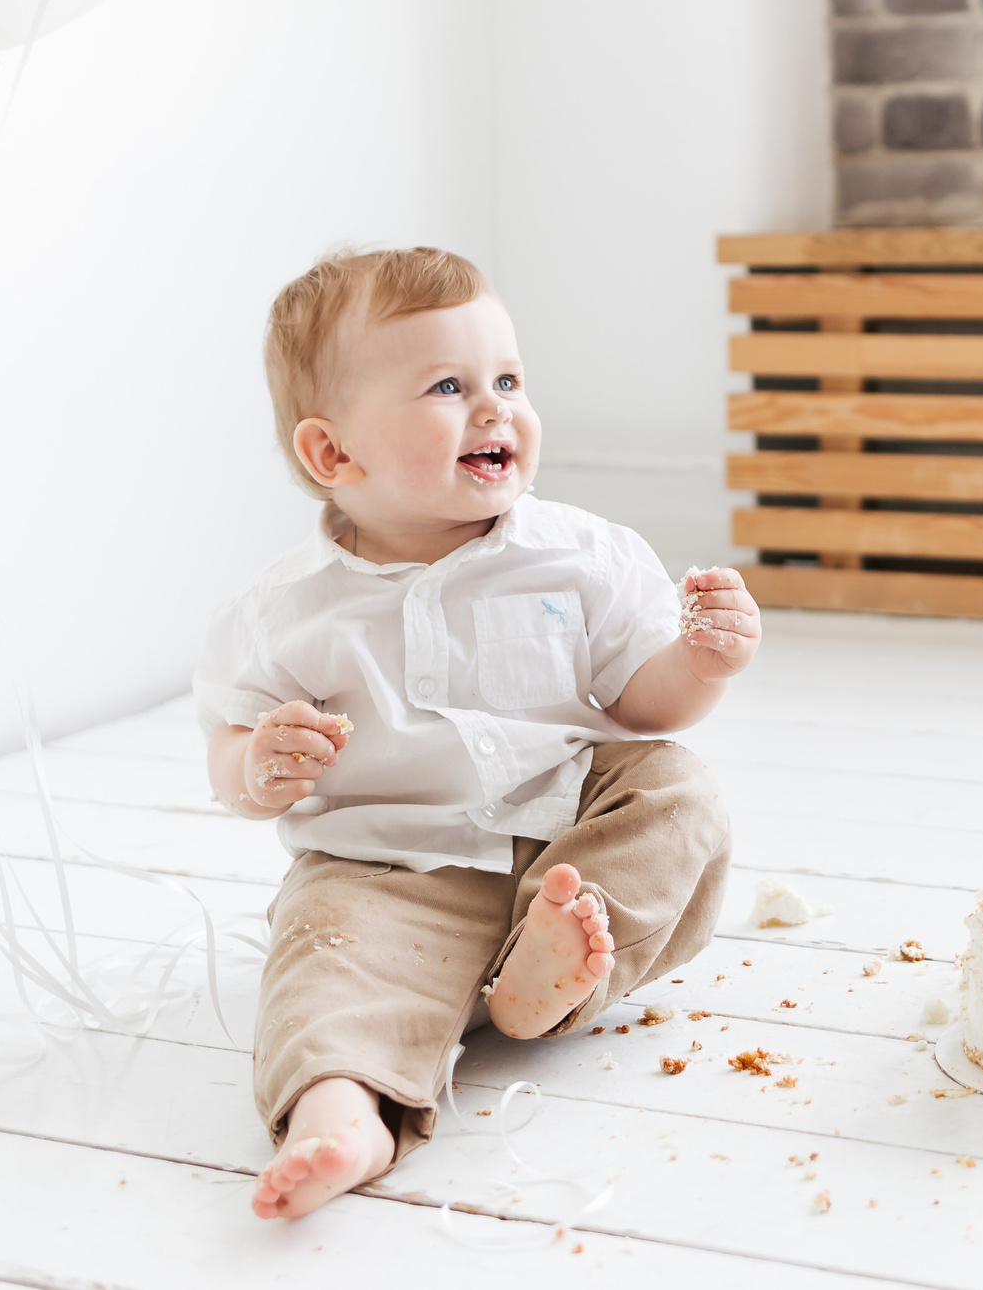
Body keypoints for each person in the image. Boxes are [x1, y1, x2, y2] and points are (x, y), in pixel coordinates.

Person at [193, 245, 753, 1220]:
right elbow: (229, 752)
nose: (495, 409)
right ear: (333, 456)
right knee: (322, 961)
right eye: (449, 387)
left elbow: (642, 704)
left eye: (508, 380)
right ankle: (339, 1117)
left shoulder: (581, 555)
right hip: (384, 871)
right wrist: (258, 763)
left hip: (571, 843)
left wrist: (699, 664)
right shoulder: (284, 612)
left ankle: (548, 979)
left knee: (676, 787)